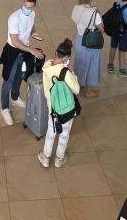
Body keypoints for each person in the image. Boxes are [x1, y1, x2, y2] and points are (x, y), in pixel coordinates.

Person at [0, 0, 45, 126]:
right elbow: (14, 41)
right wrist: (31, 50)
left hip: (23, 51)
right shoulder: (14, 18)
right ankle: (4, 108)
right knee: (8, 80)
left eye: (30, 7)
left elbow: (32, 23)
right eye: (25, 6)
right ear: (22, 3)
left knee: (20, 76)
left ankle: (14, 98)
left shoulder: (32, 14)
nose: (27, 9)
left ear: (33, 7)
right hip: (12, 51)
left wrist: (34, 32)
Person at [37, 38, 81, 169]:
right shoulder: (65, 72)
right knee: (64, 133)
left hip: (52, 106)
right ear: (67, 57)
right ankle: (59, 159)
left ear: (56, 53)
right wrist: (72, 72)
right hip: (66, 107)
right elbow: (77, 89)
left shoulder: (47, 65)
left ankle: (45, 157)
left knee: (51, 131)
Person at [71, 0, 104, 98]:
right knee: (91, 65)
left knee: (80, 63)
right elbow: (101, 29)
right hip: (90, 41)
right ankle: (88, 91)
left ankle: (79, 86)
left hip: (80, 39)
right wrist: (98, 13)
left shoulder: (76, 8)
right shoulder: (94, 13)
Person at [106, 0, 127, 77]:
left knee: (113, 47)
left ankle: (110, 65)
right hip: (124, 33)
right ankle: (121, 70)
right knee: (122, 51)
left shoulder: (116, 4)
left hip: (115, 30)